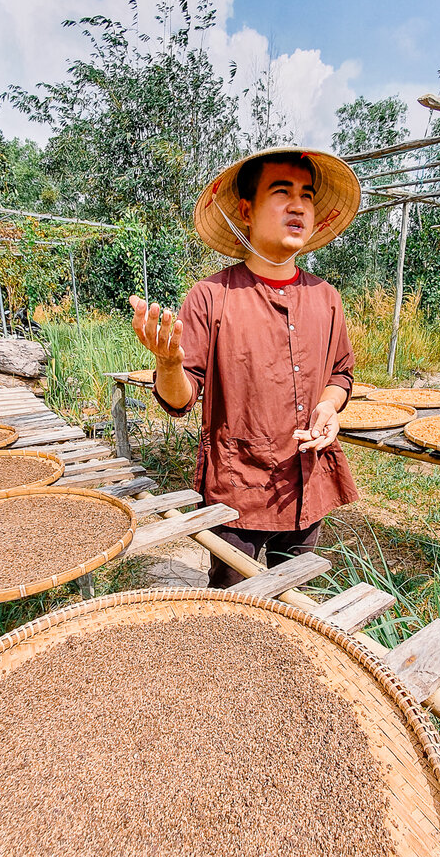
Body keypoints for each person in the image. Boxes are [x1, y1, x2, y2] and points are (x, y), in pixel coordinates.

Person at [128, 147, 362, 587]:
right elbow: (180, 400)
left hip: (305, 483)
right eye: (282, 191)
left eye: (307, 195)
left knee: (296, 611)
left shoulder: (326, 298)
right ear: (246, 210)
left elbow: (341, 375)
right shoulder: (211, 296)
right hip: (237, 489)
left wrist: (329, 407)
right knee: (234, 613)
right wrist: (168, 363)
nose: (298, 205)